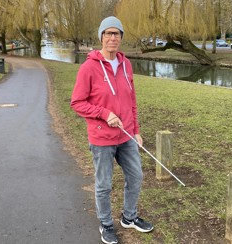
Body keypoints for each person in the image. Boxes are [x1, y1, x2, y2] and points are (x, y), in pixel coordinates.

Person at [70, 16, 153, 244]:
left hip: (126, 135)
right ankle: (106, 224)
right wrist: (104, 114)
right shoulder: (88, 67)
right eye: (108, 33)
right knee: (104, 185)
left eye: (117, 33)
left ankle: (129, 217)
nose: (113, 37)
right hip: (102, 137)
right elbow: (77, 102)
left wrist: (135, 130)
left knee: (136, 176)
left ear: (121, 38)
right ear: (101, 37)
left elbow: (131, 100)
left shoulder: (126, 64)